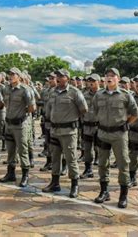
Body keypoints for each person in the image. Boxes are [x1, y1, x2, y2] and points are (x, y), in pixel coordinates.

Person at [92, 68, 138, 209]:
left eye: (112, 76)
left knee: (123, 163)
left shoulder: (125, 95)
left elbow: (135, 113)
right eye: (107, 75)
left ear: (118, 79)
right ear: (104, 79)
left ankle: (123, 195)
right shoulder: (99, 95)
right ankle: (104, 191)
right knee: (102, 163)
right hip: (103, 133)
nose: (109, 78)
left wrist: (125, 124)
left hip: (119, 134)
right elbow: (95, 111)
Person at [42, 69, 88, 198]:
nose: (58, 78)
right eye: (57, 76)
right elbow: (49, 110)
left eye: (61, 76)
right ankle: (55, 183)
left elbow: (84, 109)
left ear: (67, 78)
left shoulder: (74, 92)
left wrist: (71, 118)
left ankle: (75, 185)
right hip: (55, 130)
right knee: (55, 157)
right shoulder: (52, 92)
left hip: (68, 131)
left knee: (71, 158)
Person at [0, 67, 35, 187]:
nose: (11, 76)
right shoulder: (6, 89)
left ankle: (25, 175)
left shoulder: (25, 90)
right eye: (10, 74)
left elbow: (32, 107)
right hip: (9, 124)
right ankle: (10, 173)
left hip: (20, 125)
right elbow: (3, 103)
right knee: (10, 151)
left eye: (13, 75)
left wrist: (21, 114)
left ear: (19, 77)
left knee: (22, 150)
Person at [80, 73, 100, 178]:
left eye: (93, 81)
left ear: (99, 82)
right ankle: (88, 169)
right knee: (87, 148)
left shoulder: (102, 94)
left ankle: (103, 172)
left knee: (100, 149)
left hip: (99, 127)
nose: (91, 83)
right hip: (87, 126)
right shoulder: (84, 95)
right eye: (89, 81)